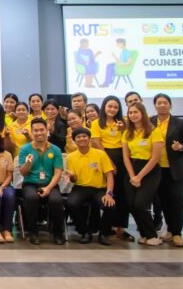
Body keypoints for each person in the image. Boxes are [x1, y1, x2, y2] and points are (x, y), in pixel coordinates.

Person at [151, 93, 183, 247]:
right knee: (163, 201)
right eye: (159, 103)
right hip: (156, 169)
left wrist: (181, 147)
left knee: (175, 200)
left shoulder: (180, 123)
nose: (162, 105)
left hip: (175, 169)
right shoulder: (150, 122)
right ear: (155, 105)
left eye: (165, 102)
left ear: (170, 105)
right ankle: (169, 230)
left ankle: (177, 233)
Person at [65, 127, 116, 246]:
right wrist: (71, 176)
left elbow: (109, 175)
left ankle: (103, 234)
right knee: (71, 204)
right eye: (78, 137)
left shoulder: (100, 154)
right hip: (80, 188)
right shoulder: (70, 157)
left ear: (89, 138)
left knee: (110, 205)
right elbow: (74, 180)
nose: (82, 139)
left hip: (99, 189)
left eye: (84, 136)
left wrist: (109, 193)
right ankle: (84, 232)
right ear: (74, 140)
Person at [91, 95, 132, 241]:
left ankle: (120, 227)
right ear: (104, 107)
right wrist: (109, 162)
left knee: (123, 193)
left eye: (115, 107)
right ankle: (106, 227)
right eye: (110, 106)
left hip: (123, 156)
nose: (112, 109)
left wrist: (124, 129)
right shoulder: (97, 123)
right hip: (104, 155)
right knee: (108, 192)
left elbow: (129, 138)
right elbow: (96, 142)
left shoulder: (124, 122)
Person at [122, 102, 164, 246]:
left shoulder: (154, 131)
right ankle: (144, 234)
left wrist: (139, 177)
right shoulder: (127, 133)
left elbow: (155, 157)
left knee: (140, 204)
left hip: (150, 170)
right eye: (130, 112)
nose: (133, 115)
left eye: (135, 112)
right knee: (131, 204)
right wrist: (133, 176)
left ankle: (152, 235)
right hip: (132, 169)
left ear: (143, 114)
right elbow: (126, 157)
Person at [18, 118, 65, 245]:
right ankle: (33, 232)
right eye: (36, 130)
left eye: (41, 130)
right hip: (30, 183)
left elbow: (58, 172)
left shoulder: (55, 150)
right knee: (31, 198)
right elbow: (23, 172)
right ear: (32, 132)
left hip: (50, 184)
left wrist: (48, 188)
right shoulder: (25, 149)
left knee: (56, 200)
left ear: (47, 130)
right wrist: (28, 163)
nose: (39, 133)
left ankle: (58, 233)